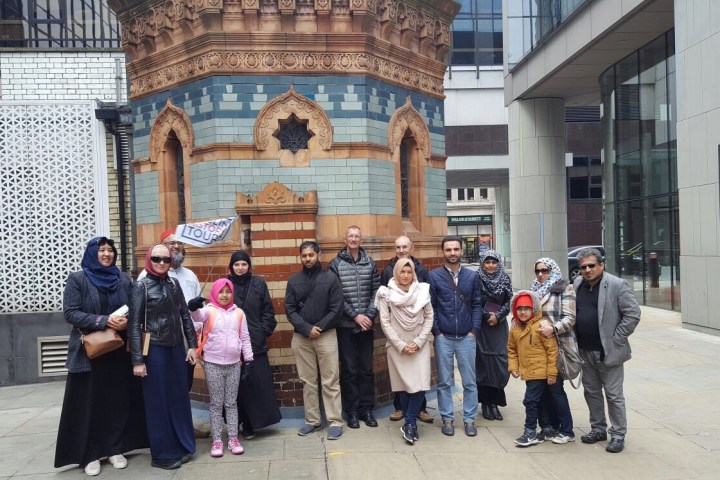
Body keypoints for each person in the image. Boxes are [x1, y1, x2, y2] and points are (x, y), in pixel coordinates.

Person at [54, 237, 147, 477]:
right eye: (102, 250)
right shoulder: (78, 279)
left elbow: (136, 308)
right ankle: (91, 454)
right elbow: (71, 313)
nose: (107, 254)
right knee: (90, 404)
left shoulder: (123, 279)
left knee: (117, 402)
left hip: (118, 350)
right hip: (90, 352)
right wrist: (103, 320)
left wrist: (127, 322)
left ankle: (115, 449)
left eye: (110, 250)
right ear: (92, 253)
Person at [128, 244, 198, 470]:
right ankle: (162, 454)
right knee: (158, 402)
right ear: (150, 259)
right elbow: (134, 325)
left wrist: (192, 346)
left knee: (178, 397)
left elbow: (185, 316)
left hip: (176, 347)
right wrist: (138, 360)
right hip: (154, 349)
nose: (161, 263)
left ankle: (182, 445)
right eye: (157, 259)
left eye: (165, 260)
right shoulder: (141, 286)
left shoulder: (173, 283)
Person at [573, 248, 641, 453]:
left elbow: (633, 315)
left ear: (601, 264)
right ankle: (598, 429)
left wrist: (616, 338)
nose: (587, 270)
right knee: (591, 392)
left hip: (609, 352)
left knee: (613, 395)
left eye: (591, 265)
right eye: (583, 267)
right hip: (585, 351)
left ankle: (618, 434)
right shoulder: (577, 284)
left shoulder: (617, 285)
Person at [285, 241, 345, 440]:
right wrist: (306, 328)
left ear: (319, 255)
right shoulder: (294, 280)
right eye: (304, 256)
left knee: (330, 381)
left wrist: (319, 327)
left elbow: (337, 308)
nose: (307, 259)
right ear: (300, 257)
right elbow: (290, 309)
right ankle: (312, 420)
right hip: (301, 338)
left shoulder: (331, 278)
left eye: (311, 255)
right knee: (308, 381)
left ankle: (335, 421)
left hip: (326, 335)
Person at [188, 278, 253, 458]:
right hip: (212, 364)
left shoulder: (239, 313)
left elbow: (245, 338)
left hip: (234, 364)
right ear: (215, 293)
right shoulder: (209, 310)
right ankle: (217, 440)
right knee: (217, 404)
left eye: (228, 291)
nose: (225, 295)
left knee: (231, 403)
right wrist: (193, 307)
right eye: (221, 291)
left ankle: (233, 438)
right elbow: (197, 316)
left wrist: (249, 360)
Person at [429, 235, 482, 437]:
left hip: (467, 337)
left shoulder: (471, 276)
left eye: (456, 249)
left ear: (461, 251)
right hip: (444, 337)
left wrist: (474, 330)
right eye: (448, 249)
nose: (452, 253)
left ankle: (469, 419)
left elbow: (477, 304)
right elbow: (431, 306)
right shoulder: (434, 276)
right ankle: (447, 418)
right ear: (443, 252)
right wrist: (437, 331)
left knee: (469, 381)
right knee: (444, 382)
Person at [376, 258, 434, 445]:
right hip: (397, 347)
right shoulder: (385, 294)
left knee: (419, 386)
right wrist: (401, 345)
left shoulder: (422, 291)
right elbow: (385, 322)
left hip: (420, 345)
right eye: (403, 272)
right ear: (396, 273)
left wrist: (418, 342)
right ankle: (410, 424)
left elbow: (429, 317)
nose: (406, 275)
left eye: (409, 272)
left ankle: (409, 423)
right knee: (404, 386)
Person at [329, 226, 381, 429]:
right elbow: (336, 296)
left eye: (357, 236)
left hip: (366, 325)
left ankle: (367, 410)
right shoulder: (336, 264)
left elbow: (376, 291)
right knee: (349, 370)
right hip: (346, 326)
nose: (353, 239)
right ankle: (351, 411)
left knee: (366, 369)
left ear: (361, 239)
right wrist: (355, 316)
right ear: (345, 238)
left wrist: (368, 315)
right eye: (350, 236)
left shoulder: (370, 262)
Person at [226, 251, 281, 439]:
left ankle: (252, 424)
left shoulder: (258, 284)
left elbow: (268, 311)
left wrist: (262, 331)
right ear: (231, 267)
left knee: (255, 386)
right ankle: (238, 423)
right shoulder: (226, 285)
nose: (240, 268)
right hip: (231, 346)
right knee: (236, 388)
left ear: (249, 266)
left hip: (255, 344)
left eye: (244, 264)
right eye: (236, 265)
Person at [529, 257, 576, 444]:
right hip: (537, 348)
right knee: (541, 390)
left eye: (545, 270)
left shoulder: (565, 288)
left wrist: (554, 328)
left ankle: (567, 430)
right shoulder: (533, 290)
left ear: (553, 270)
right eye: (538, 271)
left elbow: (570, 317)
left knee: (555, 388)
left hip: (557, 344)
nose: (541, 274)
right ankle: (548, 427)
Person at [507, 290, 561, 447]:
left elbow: (552, 351)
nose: (523, 312)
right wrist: (513, 367)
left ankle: (530, 432)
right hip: (528, 372)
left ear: (534, 309)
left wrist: (552, 373)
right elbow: (511, 350)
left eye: (526, 308)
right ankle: (546, 428)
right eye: (519, 309)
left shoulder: (541, 326)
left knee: (530, 401)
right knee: (540, 401)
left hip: (540, 372)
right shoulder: (515, 328)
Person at [476, 249, 513, 422]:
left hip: (499, 325)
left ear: (498, 263)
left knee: (499, 361)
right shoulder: (477, 278)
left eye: (494, 262)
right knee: (483, 362)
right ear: (483, 263)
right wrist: (487, 316)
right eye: (487, 262)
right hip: (483, 326)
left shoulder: (505, 279)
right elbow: (474, 300)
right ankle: (485, 403)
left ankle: (495, 403)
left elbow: (509, 301)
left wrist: (497, 316)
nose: (490, 266)